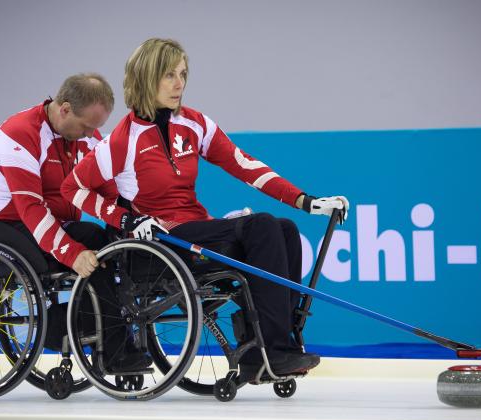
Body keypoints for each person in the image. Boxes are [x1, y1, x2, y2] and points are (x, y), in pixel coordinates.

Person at [61, 39, 348, 378]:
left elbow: (243, 164)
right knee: (262, 226)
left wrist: (303, 199)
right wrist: (125, 218)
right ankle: (271, 349)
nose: (179, 83)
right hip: (161, 239)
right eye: (169, 75)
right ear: (145, 78)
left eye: (183, 74)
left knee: (285, 229)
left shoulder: (194, 123)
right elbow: (73, 188)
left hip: (195, 225)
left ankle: (268, 347)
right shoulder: (123, 140)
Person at [0, 73, 151, 372]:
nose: (89, 135)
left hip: (57, 223)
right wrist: (73, 254)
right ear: (65, 109)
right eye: (85, 126)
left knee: (118, 243)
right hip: (9, 228)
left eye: (96, 128)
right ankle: (112, 349)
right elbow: (31, 209)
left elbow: (110, 192)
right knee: (93, 244)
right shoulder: (18, 133)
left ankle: (83, 325)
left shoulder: (85, 136)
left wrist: (134, 221)